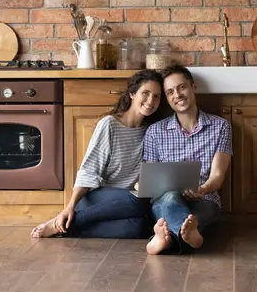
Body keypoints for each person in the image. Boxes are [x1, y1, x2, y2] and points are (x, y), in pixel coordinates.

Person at [30, 69, 164, 239]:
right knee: (139, 202)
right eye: (145, 93)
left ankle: (67, 228)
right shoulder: (109, 125)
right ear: (132, 94)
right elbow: (89, 170)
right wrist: (70, 206)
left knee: (141, 228)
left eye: (157, 96)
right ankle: (60, 221)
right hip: (98, 199)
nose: (151, 100)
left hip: (127, 203)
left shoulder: (151, 131)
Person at [142, 64, 232, 255]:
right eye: (170, 92)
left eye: (182, 87)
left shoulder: (221, 127)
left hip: (205, 199)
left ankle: (162, 240)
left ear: (193, 87)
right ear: (167, 98)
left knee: (196, 215)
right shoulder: (154, 132)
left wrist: (202, 189)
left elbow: (217, 175)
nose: (178, 95)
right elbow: (152, 181)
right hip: (166, 199)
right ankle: (192, 239)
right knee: (171, 200)